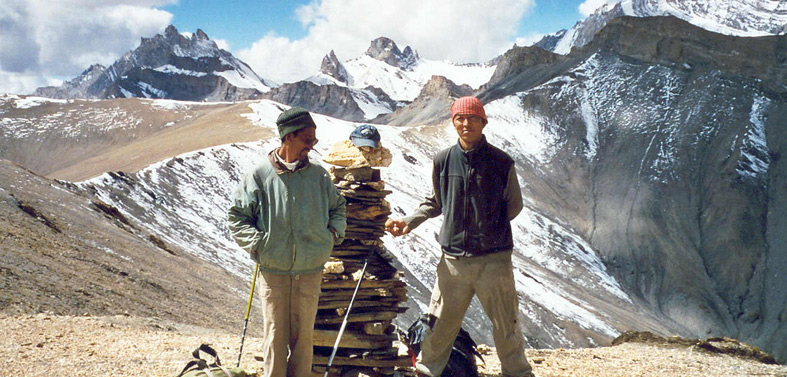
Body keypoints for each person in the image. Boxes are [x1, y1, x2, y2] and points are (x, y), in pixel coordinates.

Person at [385, 96, 534, 377]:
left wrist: (489, 227)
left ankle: (517, 373)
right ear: (453, 122)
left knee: (506, 325)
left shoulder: (501, 162)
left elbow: (514, 205)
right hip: (453, 260)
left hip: (494, 259)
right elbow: (435, 202)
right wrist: (408, 222)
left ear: (483, 121)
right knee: (440, 324)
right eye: (459, 118)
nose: (466, 124)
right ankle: (428, 372)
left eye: (472, 118)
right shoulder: (443, 160)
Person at [227, 107, 347, 377]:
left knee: (304, 340)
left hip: (309, 271)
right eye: (307, 139)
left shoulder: (318, 176)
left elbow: (338, 209)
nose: (311, 146)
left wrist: (330, 237)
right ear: (288, 137)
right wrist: (260, 245)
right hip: (274, 271)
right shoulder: (259, 176)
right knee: (275, 339)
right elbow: (237, 217)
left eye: (313, 140)